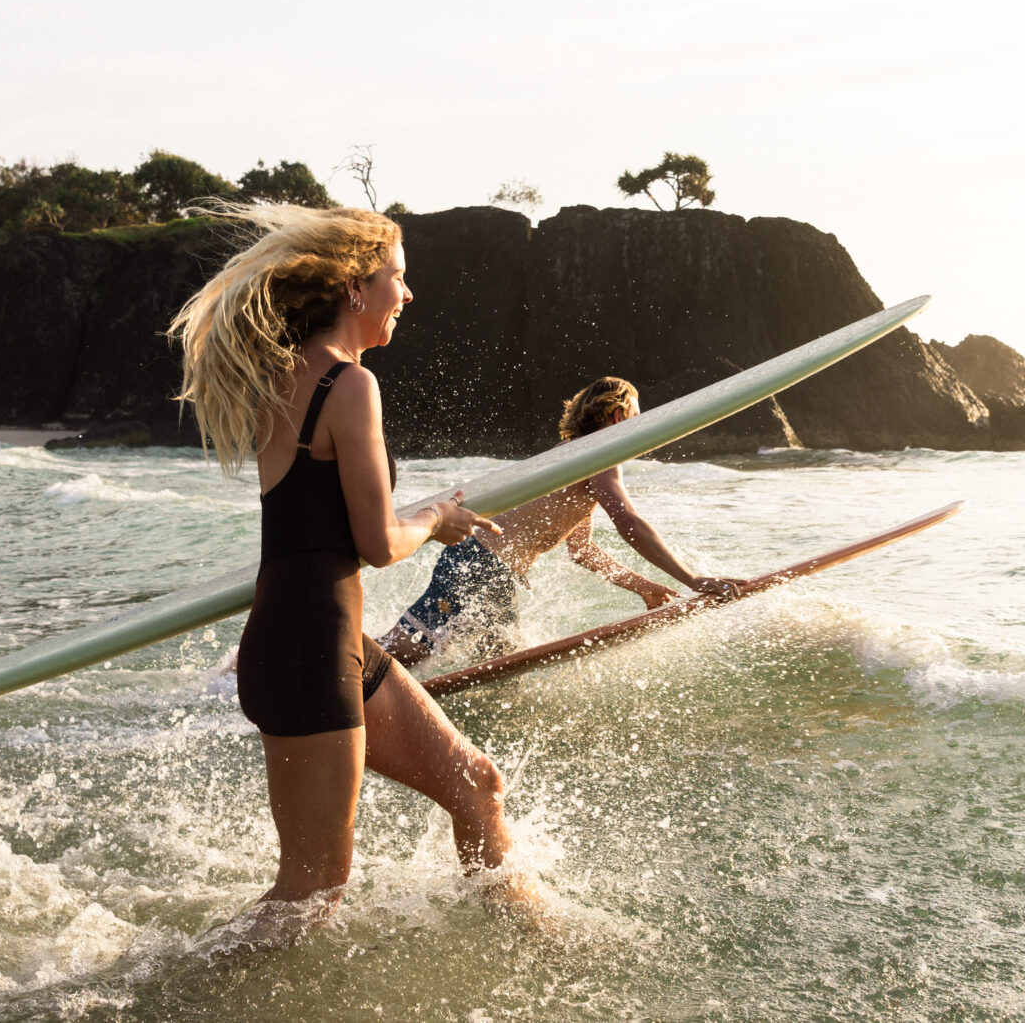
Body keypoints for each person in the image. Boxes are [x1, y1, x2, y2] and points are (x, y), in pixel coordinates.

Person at [168, 202, 539, 943]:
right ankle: (163, 995)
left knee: (477, 785)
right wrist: (437, 519)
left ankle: (521, 942)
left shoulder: (287, 378)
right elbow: (376, 542)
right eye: (397, 278)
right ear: (354, 288)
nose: (408, 295)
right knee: (311, 892)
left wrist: (428, 517)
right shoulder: (349, 385)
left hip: (319, 637)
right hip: (310, 644)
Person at [376, 377, 744, 667]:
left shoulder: (574, 460)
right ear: (618, 417)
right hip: (481, 568)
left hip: (480, 567)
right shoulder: (600, 454)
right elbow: (627, 520)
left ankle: (351, 677)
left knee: (490, 662)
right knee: (408, 653)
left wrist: (643, 587)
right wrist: (693, 580)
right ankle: (336, 675)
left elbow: (582, 551)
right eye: (636, 418)